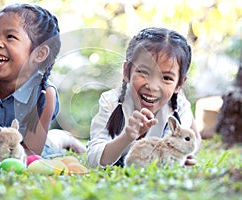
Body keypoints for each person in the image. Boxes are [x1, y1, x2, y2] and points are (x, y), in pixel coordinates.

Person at [0, 3, 84, 163]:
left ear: (39, 54)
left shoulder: (45, 94)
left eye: (10, 37)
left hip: (31, 147)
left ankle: (66, 138)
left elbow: (29, 153)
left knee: (53, 142)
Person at [87, 27, 202, 168]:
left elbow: (181, 149)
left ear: (179, 84)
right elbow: (93, 159)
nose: (152, 86)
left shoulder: (178, 107)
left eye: (166, 77)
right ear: (127, 71)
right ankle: (66, 140)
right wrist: (127, 137)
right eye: (144, 72)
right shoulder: (110, 102)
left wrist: (186, 155)